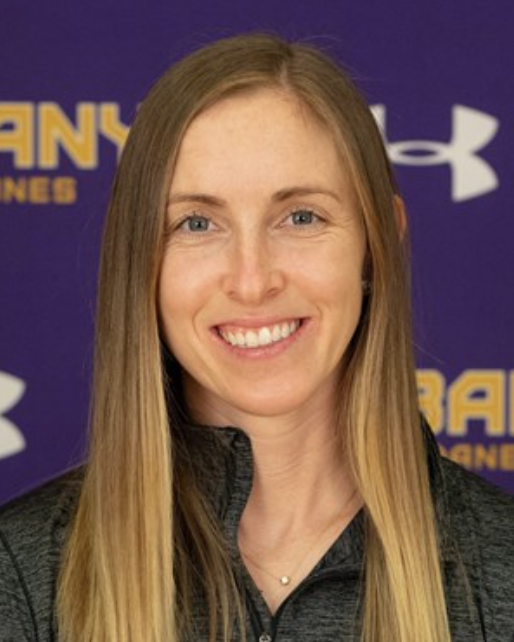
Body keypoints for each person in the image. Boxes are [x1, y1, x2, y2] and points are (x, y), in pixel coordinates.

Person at [1, 33, 513, 642]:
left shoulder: (500, 563)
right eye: (197, 223)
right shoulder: (22, 574)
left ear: (377, 245)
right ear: (139, 261)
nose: (252, 281)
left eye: (301, 217)